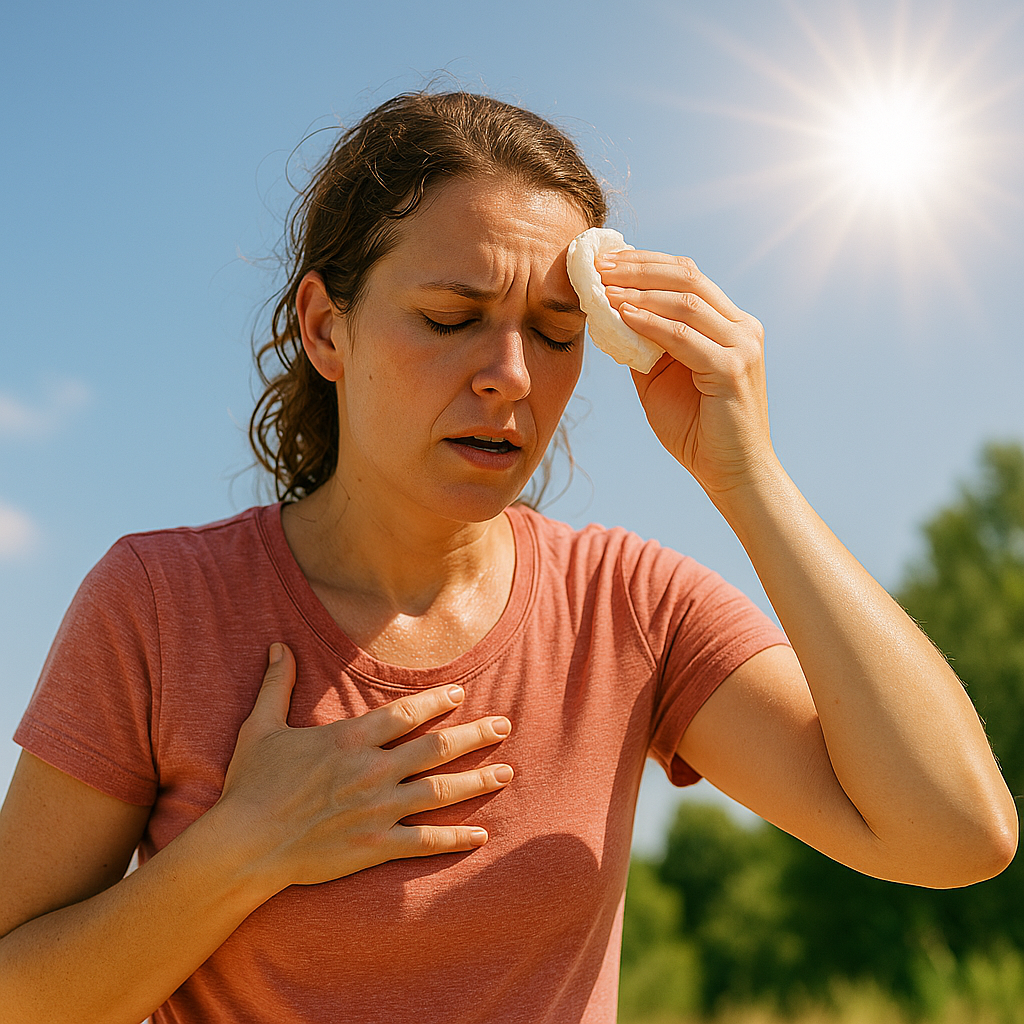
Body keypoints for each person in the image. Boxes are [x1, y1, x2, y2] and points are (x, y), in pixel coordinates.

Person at [0, 90, 1016, 1024]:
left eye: (557, 332)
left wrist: (745, 477)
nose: (509, 376)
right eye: (451, 319)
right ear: (324, 327)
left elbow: (953, 831)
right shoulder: (158, 603)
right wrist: (241, 847)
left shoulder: (631, 605)